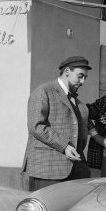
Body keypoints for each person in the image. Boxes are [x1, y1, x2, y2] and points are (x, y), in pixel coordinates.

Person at [22, 56, 92, 191]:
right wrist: (65, 146)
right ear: (67, 71)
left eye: (85, 78)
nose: (83, 81)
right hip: (48, 169)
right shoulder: (44, 91)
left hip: (76, 171)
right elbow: (36, 126)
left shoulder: (80, 104)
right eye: (80, 76)